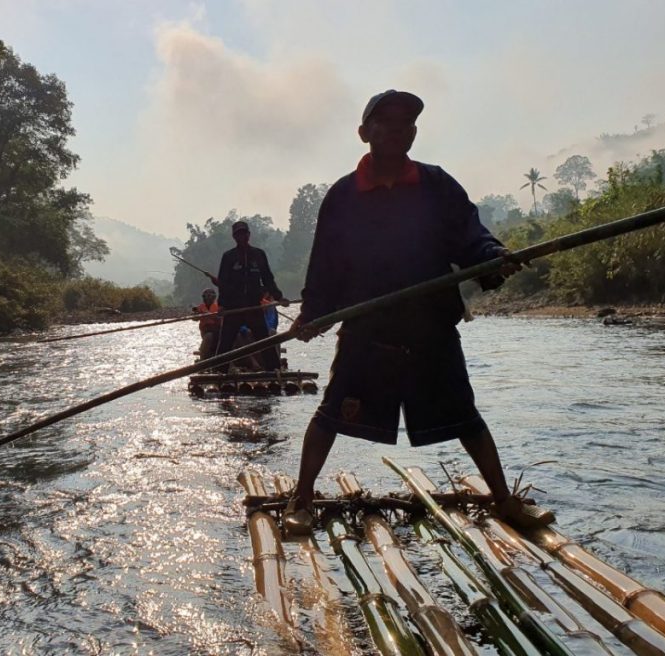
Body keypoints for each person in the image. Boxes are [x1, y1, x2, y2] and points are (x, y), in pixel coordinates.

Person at [285, 89, 555, 534]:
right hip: (368, 328)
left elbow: (471, 235)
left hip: (430, 324)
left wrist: (493, 259)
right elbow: (326, 265)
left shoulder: (437, 185)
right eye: (386, 122)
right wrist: (313, 312)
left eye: (406, 123)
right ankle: (302, 498)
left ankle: (504, 500)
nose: (398, 130)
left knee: (467, 417)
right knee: (331, 414)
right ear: (364, 132)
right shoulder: (344, 196)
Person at [215, 221, 289, 371]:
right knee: (225, 342)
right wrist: (222, 305)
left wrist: (279, 297)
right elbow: (223, 282)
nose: (241, 237)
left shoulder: (259, 254)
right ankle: (218, 372)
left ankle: (274, 370)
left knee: (264, 341)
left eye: (244, 233)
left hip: (253, 306)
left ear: (249, 235)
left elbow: (268, 278)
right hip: (233, 307)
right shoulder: (228, 257)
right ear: (234, 237)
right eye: (238, 234)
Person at [193, 288, 221, 359]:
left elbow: (220, 318)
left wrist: (210, 315)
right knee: (208, 336)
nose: (207, 299)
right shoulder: (201, 307)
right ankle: (203, 356)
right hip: (205, 330)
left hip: (217, 330)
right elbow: (194, 317)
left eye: (209, 297)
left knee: (209, 336)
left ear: (213, 298)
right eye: (206, 297)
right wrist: (196, 315)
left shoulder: (218, 307)